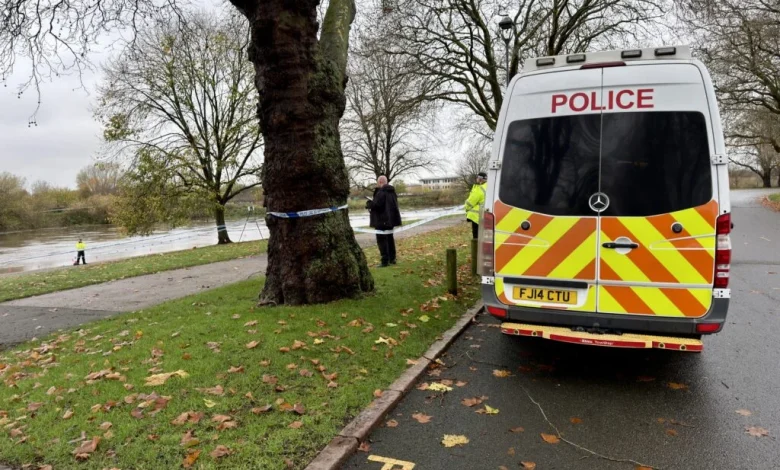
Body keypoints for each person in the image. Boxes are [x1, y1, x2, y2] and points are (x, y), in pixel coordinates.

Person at [366, 175, 402, 267]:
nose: (377, 184)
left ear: (380, 182)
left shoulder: (382, 192)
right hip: (390, 220)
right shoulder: (392, 192)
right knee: (390, 239)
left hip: (381, 220)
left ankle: (384, 261)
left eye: (378, 182)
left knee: (381, 240)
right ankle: (392, 259)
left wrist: (369, 204)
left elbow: (377, 205)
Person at [465, 171, 487, 239]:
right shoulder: (489, 187)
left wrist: (466, 208)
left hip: (476, 216)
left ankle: (476, 248)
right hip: (486, 214)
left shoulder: (479, 189)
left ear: (480, 179)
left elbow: (470, 202)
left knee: (476, 235)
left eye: (477, 177)